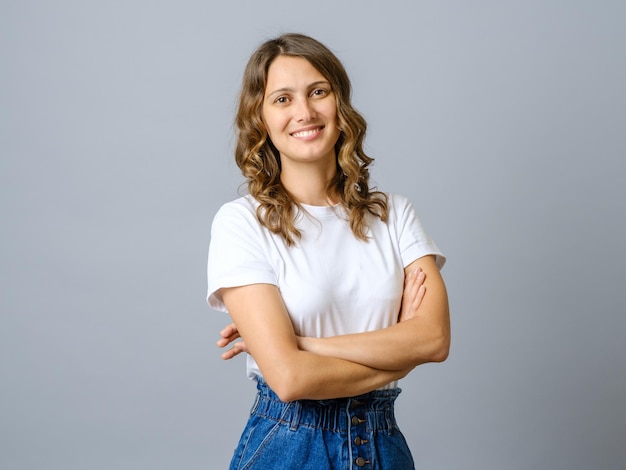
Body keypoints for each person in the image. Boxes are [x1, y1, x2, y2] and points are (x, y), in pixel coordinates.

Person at [207, 32, 450, 470]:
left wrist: (302, 344)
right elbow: (289, 378)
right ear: (260, 119)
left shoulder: (395, 215)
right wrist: (398, 359)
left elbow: (433, 340)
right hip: (290, 443)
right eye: (282, 99)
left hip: (383, 444)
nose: (305, 112)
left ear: (340, 104)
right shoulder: (242, 222)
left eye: (318, 91)